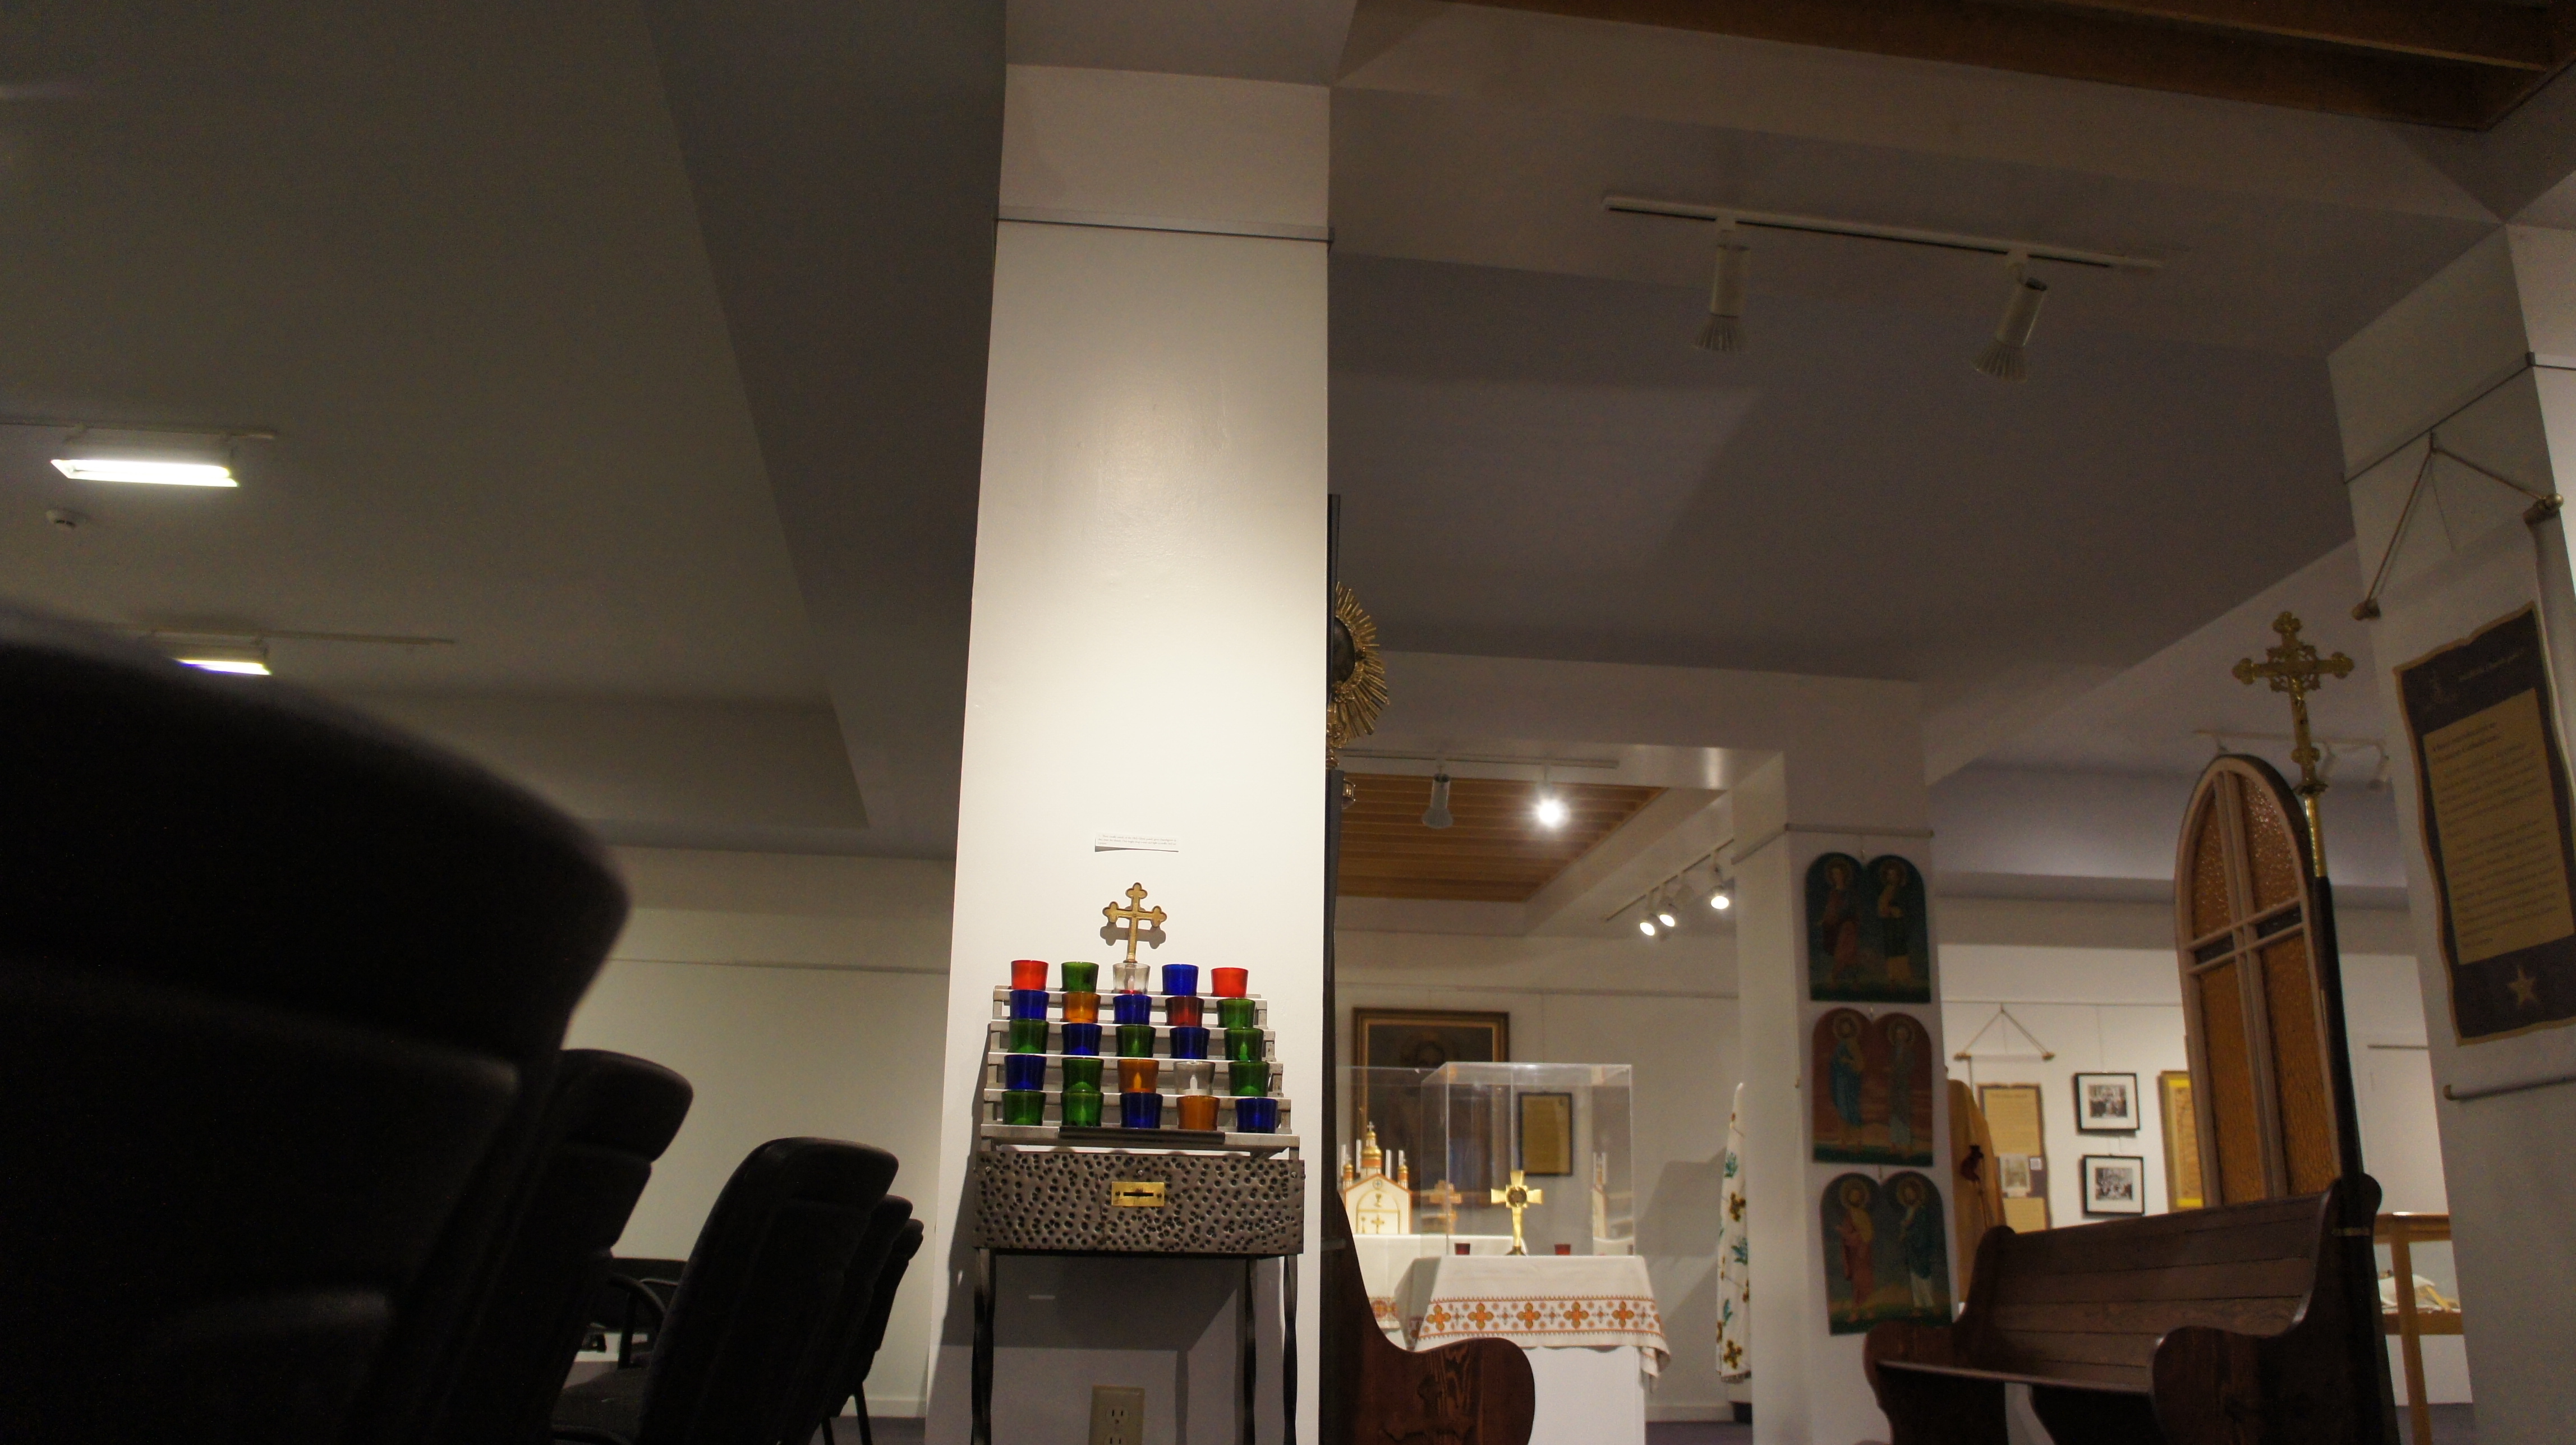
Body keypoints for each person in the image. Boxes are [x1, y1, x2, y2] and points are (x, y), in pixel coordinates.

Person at [1896, 1175, 1943, 1311]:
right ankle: (1918, 1305)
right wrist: (1904, 1234)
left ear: (1916, 1193)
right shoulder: (1909, 1210)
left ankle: (1930, 1304)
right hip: (1911, 1249)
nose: (1909, 1196)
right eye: (1907, 1194)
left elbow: (1922, 1230)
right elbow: (1906, 1227)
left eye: (1911, 1193)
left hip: (1921, 1248)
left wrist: (1909, 1234)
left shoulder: (1921, 1210)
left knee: (1924, 1276)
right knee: (1914, 1277)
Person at [1818, 858, 1862, 987]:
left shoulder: (1850, 893)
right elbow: (1830, 910)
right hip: (1836, 927)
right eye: (1834, 874)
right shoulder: (1833, 893)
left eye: (1838, 873)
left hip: (1848, 927)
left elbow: (1853, 910)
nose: (1836, 876)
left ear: (1844, 875)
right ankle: (1836, 979)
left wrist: (1845, 917)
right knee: (1839, 954)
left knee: (1848, 954)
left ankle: (1852, 981)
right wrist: (1826, 920)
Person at [1837, 1178, 1875, 1315]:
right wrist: (1847, 1234)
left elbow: (1868, 1232)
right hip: (1853, 1253)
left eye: (1857, 1196)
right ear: (1848, 1198)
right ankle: (1856, 1311)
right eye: (1853, 1195)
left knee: (1865, 1281)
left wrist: (1857, 1236)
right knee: (1857, 1282)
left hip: (1863, 1252)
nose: (1855, 1198)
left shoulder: (1863, 1214)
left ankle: (1869, 1309)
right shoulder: (1849, 1215)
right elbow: (1847, 1234)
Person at [1877, 858, 1916, 987]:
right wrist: (1885, 911)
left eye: (1894, 875)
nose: (1891, 877)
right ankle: (1892, 979)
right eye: (1889, 875)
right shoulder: (1886, 890)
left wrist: (1896, 910)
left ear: (1899, 876)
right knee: (1890, 952)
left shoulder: (1902, 891)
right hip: (1889, 925)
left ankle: (1906, 978)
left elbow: (1906, 908)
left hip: (1899, 925)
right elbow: (1881, 907)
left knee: (1900, 951)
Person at [1829, 1014, 1866, 1148]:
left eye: (1847, 1027)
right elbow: (1835, 1062)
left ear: (1851, 1028)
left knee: (1852, 1111)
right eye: (1843, 1027)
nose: (1845, 1030)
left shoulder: (1852, 1043)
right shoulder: (1841, 1044)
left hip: (1850, 1083)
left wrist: (1848, 1061)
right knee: (1842, 1111)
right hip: (1840, 1082)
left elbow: (1860, 1065)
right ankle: (1844, 1141)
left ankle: (1858, 1142)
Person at [1885, 1016, 1916, 1156]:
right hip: (1894, 1086)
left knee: (1904, 1114)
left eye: (1902, 1035)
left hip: (1903, 1086)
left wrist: (1897, 1070)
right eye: (1898, 1035)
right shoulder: (1893, 1051)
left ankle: (1907, 1146)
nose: (1900, 1037)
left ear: (1906, 1036)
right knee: (1894, 1114)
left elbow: (1909, 1067)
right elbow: (1891, 1064)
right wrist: (1891, 1070)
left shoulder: (1908, 1052)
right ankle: (1894, 1145)